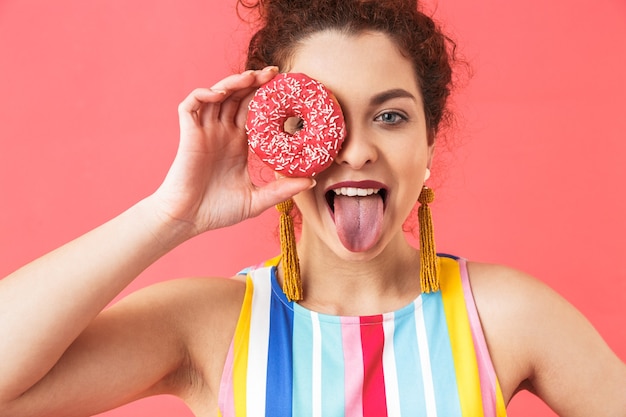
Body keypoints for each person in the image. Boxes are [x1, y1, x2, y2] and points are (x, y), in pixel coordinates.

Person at [0, 0, 624, 416]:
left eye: (390, 116)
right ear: (273, 135)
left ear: (429, 140)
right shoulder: (211, 324)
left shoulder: (506, 315)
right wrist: (171, 214)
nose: (354, 151)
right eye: (317, 118)